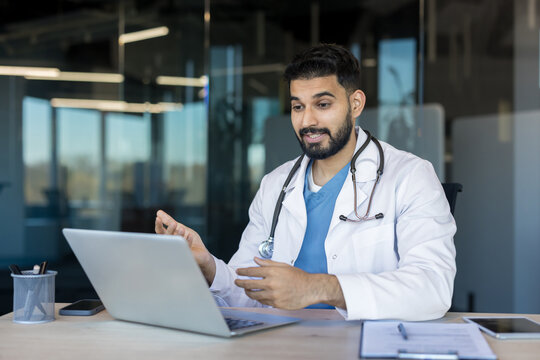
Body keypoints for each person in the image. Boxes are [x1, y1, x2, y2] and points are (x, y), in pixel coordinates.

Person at [155, 44, 456, 321]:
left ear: (356, 104)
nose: (307, 121)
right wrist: (208, 268)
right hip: (285, 345)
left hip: (367, 345)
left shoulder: (410, 177)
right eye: (298, 107)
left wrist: (318, 287)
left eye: (322, 104)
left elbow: (433, 287)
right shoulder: (275, 186)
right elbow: (250, 294)